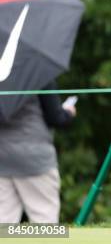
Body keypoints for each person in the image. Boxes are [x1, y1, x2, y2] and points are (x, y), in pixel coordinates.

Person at [0, 80, 77, 223]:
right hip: (34, 157)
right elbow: (56, 118)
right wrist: (68, 113)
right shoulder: (38, 70)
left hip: (2, 158)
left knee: (3, 223)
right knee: (44, 221)